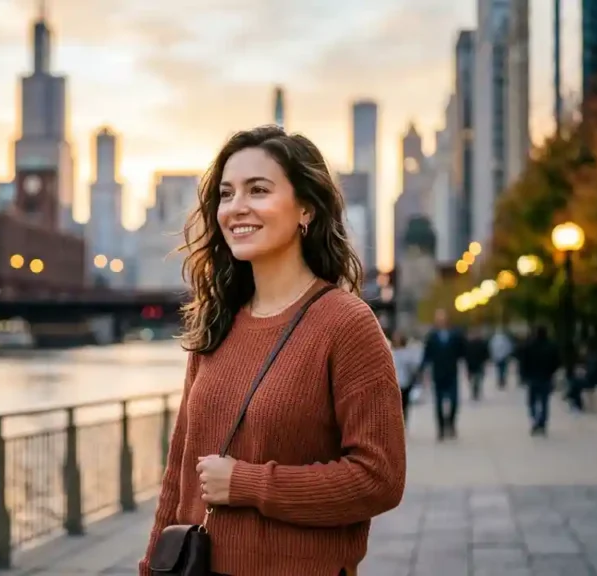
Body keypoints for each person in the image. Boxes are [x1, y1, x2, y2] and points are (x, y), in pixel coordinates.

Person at [138, 126, 406, 576]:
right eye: (226, 194)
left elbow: (380, 478)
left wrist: (247, 483)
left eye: (258, 190)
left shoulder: (346, 324)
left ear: (306, 209)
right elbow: (178, 476)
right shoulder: (219, 320)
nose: (236, 206)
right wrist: (151, 567)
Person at [415, 309, 467, 440]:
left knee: (454, 401)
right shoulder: (432, 336)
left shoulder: (455, 334)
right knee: (438, 403)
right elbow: (427, 355)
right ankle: (441, 428)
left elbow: (462, 351)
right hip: (438, 373)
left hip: (452, 372)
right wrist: (421, 370)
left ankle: (451, 423)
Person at [519, 325, 561, 435]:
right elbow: (557, 362)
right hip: (546, 377)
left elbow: (523, 362)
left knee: (532, 401)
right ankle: (542, 423)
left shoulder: (529, 346)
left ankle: (535, 420)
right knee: (544, 402)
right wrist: (551, 372)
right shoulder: (552, 346)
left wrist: (523, 376)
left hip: (532, 377)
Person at [391, 331, 421, 427]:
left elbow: (413, 367)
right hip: (393, 383)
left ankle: (403, 423)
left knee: (404, 405)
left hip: (405, 383)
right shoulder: (390, 351)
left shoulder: (407, 352)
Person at [465, 329, 490, 401]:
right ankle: (475, 390)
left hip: (474, 364)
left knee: (476, 378)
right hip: (476, 364)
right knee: (477, 378)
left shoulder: (470, 344)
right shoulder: (480, 343)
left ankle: (475, 390)